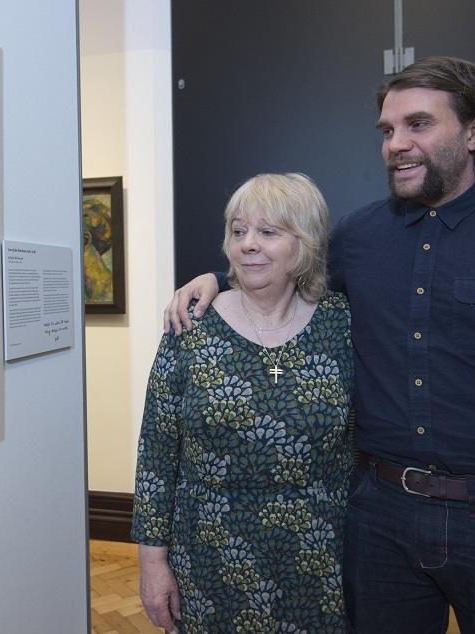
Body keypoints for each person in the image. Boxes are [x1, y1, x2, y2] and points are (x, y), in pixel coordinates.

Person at [163, 57, 475, 633]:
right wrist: (216, 280)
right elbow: (283, 274)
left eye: (418, 125)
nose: (397, 144)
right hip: (379, 519)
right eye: (388, 131)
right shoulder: (359, 238)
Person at [132, 173, 355, 633]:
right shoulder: (192, 324)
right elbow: (156, 453)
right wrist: (152, 565)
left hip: (319, 563)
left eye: (268, 232)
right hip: (209, 560)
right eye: (238, 231)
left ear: (305, 243)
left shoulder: (343, 323)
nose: (248, 244)